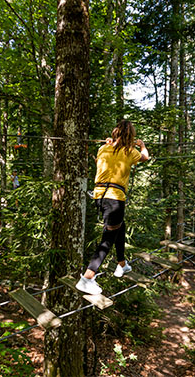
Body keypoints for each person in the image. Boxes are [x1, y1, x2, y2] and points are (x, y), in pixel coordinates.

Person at [75, 120, 150, 295]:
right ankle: (87, 278)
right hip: (115, 199)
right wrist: (142, 145)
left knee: (118, 227)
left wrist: (111, 143)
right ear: (130, 137)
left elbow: (102, 164)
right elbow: (145, 157)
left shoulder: (103, 149)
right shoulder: (130, 151)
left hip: (100, 197)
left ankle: (121, 264)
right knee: (107, 239)